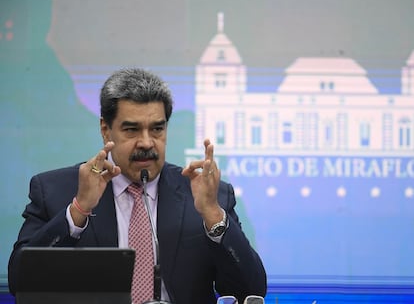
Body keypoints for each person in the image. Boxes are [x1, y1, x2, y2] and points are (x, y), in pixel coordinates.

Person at [8, 68, 267, 304]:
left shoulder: (208, 195)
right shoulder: (56, 190)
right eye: (131, 130)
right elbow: (19, 281)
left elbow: (251, 289)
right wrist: (78, 210)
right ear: (106, 130)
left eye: (157, 129)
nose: (146, 142)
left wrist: (212, 215)